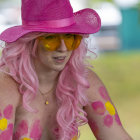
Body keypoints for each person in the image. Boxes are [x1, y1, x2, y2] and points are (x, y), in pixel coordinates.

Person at [0, 0, 133, 140]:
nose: (63, 48)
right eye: (51, 38)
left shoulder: (82, 81)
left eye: (69, 37)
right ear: (30, 41)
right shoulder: (5, 88)